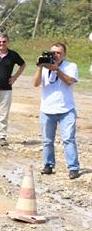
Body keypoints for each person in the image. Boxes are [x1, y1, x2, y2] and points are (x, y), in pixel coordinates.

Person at [33, 42, 80, 179]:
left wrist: (56, 69)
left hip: (66, 109)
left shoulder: (71, 66)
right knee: (47, 141)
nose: (55, 55)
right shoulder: (45, 67)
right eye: (53, 52)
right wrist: (40, 67)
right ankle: (48, 165)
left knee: (68, 139)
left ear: (64, 54)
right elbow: (35, 84)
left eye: (59, 53)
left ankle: (73, 167)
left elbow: (69, 81)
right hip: (47, 109)